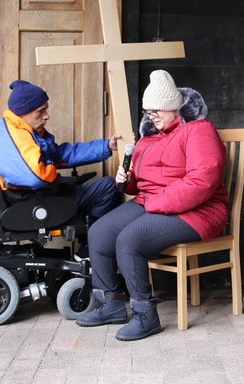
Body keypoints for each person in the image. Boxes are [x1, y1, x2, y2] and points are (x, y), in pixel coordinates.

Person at [75, 70, 228, 341]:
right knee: (100, 232)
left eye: (155, 110)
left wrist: (156, 202)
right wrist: (128, 180)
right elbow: (144, 183)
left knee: (129, 240)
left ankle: (145, 315)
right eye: (148, 111)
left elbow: (203, 180)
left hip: (199, 210)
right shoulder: (148, 138)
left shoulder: (198, 130)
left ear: (172, 106)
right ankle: (109, 303)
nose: (151, 116)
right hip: (154, 202)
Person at [0, 79, 122, 254]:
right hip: (34, 201)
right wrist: (55, 173)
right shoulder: (17, 137)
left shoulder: (14, 128)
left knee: (95, 187)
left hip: (32, 197)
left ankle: (90, 249)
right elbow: (36, 175)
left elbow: (59, 155)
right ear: (23, 113)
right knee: (108, 187)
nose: (46, 115)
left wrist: (106, 146)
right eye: (40, 111)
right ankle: (92, 251)